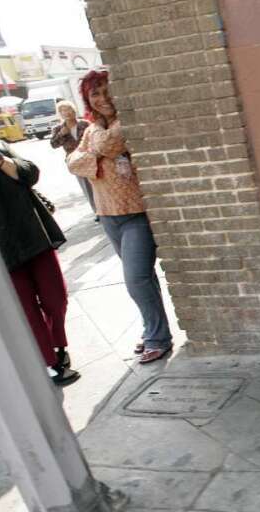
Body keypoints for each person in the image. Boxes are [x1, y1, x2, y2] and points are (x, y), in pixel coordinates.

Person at [66, 70, 173, 364]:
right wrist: (95, 157)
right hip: (108, 216)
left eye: (106, 90)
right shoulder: (91, 129)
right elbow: (73, 162)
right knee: (144, 280)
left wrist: (96, 153)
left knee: (136, 279)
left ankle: (158, 337)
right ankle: (153, 329)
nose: (103, 99)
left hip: (135, 213)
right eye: (94, 95)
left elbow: (111, 144)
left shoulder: (124, 121)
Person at [0, 104, 80, 386]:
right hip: (2, 253)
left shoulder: (1, 147)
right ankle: (51, 362)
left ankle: (58, 344)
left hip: (33, 237)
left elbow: (30, 173)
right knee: (28, 310)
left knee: (55, 298)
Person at [51, 100, 96, 219]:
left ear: (74, 110)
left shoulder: (84, 124)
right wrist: (61, 134)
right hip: (75, 161)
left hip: (90, 157)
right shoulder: (58, 129)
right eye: (63, 111)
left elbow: (95, 137)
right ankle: (97, 212)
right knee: (86, 186)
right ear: (60, 114)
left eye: (68, 109)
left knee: (97, 182)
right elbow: (54, 145)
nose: (67, 113)